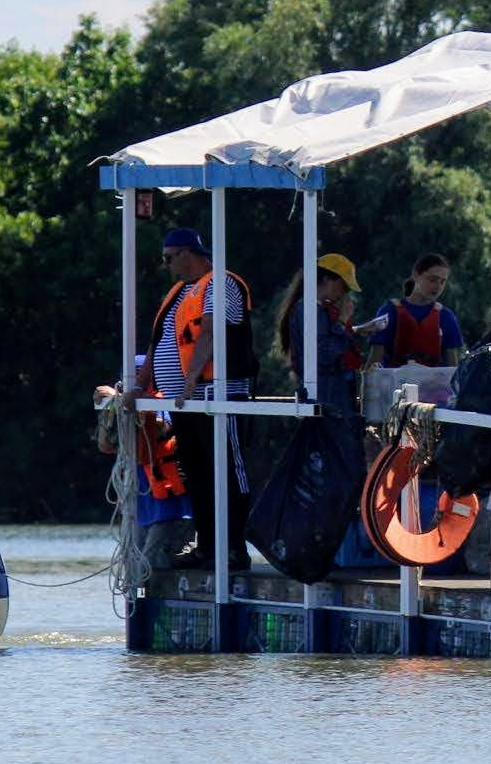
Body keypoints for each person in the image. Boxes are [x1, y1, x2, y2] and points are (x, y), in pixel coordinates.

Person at [148, 226, 257, 571]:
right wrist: (138, 385)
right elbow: (159, 343)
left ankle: (235, 548)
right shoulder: (179, 292)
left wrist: (191, 378)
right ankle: (208, 547)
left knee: (228, 470)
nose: (165, 265)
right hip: (187, 400)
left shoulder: (219, 283)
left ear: (187, 253)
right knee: (197, 473)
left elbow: (211, 332)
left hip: (219, 394)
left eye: (168, 257)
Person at [279, 252, 366, 405]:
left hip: (332, 395)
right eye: (344, 286)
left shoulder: (316, 309)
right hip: (327, 398)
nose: (345, 293)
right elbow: (324, 354)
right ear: (327, 280)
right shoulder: (309, 309)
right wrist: (341, 321)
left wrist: (355, 330)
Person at [362, 253, 466, 368]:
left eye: (442, 282)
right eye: (433, 279)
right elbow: (374, 361)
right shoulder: (390, 311)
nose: (438, 286)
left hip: (433, 385)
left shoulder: (446, 317)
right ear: (416, 275)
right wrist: (367, 384)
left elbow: (453, 368)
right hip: (395, 384)